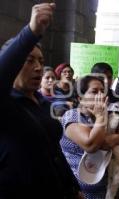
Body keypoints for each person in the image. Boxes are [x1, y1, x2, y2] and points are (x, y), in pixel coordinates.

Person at [0, 3, 81, 198]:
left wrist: (73, 186)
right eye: (29, 60)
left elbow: (54, 150)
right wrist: (31, 32)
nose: (38, 67)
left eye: (41, 61)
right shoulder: (5, 104)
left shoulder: (42, 103)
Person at [60, 75, 119, 199]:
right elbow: (91, 145)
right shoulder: (72, 116)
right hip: (80, 191)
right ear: (80, 97)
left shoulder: (108, 115)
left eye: (102, 91)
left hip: (106, 188)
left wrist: (110, 140)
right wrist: (100, 118)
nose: (101, 96)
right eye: (94, 92)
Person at [91, 62, 119, 131]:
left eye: (109, 77)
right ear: (92, 78)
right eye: (102, 77)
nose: (106, 81)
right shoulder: (85, 100)